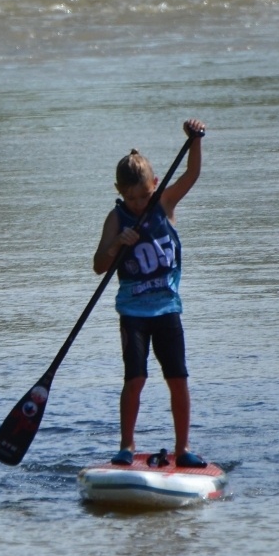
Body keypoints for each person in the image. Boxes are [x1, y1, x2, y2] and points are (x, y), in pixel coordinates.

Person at [92, 118, 206, 468]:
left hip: (167, 310)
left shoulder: (165, 203)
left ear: (155, 185)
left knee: (178, 379)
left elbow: (191, 175)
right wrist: (116, 246)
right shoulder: (116, 218)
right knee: (136, 378)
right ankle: (126, 445)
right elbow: (99, 265)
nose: (139, 203)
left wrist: (195, 140)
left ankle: (183, 448)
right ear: (119, 191)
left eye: (143, 195)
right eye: (131, 198)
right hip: (134, 314)